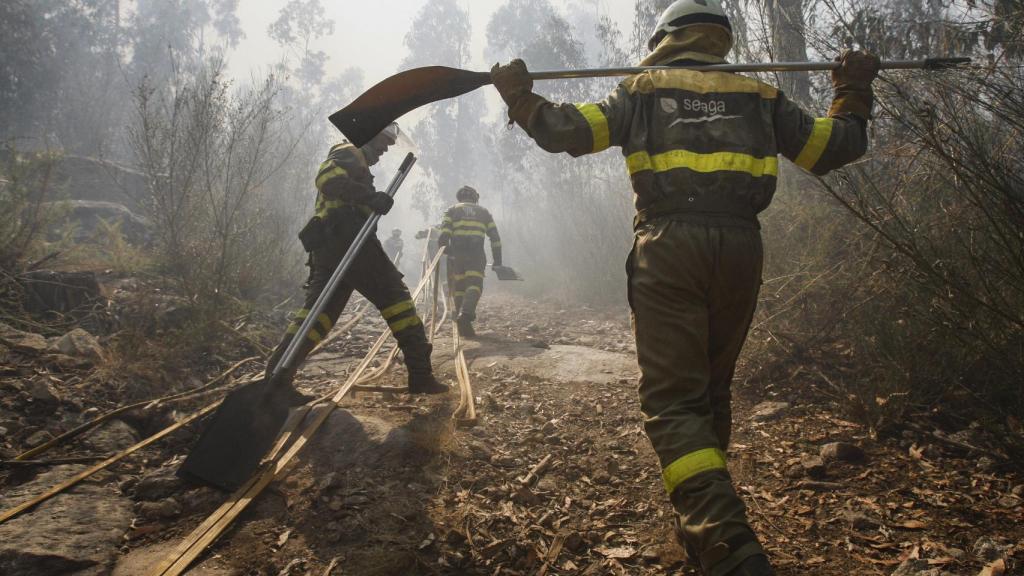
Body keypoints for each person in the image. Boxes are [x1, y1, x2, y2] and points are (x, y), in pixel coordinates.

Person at [490, 0, 879, 573]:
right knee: (711, 392)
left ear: (665, 37)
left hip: (670, 248)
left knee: (673, 403)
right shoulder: (761, 97)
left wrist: (520, 96)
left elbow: (566, 132)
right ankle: (700, 524)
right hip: (741, 250)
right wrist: (852, 87)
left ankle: (728, 546)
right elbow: (835, 148)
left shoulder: (642, 90)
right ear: (719, 39)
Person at [266, 123, 448, 397]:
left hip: (329, 246)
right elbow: (326, 179)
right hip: (351, 242)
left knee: (318, 315)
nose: (385, 149)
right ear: (369, 135)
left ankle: (276, 380)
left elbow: (342, 192)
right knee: (397, 301)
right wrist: (371, 197)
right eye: (383, 142)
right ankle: (421, 375)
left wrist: (369, 200)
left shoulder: (356, 161)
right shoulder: (349, 151)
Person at [436, 185, 502, 337]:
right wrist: (497, 261)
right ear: (475, 197)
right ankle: (465, 316)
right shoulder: (484, 212)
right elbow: (495, 239)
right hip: (476, 255)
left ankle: (462, 326)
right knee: (474, 285)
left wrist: (447, 251)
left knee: (459, 288)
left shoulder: (451, 210)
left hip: (457, 256)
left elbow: (444, 235)